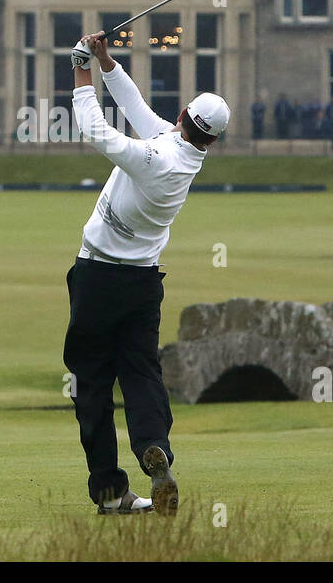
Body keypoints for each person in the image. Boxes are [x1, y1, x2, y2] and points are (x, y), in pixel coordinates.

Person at [62, 30, 229, 516]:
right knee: (140, 371)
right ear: (211, 139)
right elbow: (134, 108)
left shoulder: (157, 156)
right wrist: (104, 61)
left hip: (97, 278)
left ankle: (111, 493)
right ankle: (155, 447)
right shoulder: (180, 151)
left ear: (181, 117)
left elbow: (98, 133)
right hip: (142, 285)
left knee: (92, 380)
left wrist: (79, 73)